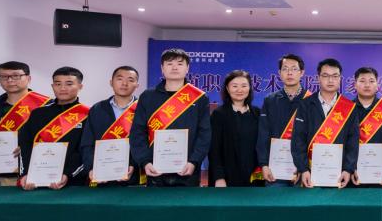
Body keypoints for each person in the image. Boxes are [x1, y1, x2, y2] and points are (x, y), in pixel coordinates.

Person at [130, 48, 211, 187]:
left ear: (187, 68)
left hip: (188, 170)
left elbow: (204, 133)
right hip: (155, 171)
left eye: (180, 64)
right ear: (162, 68)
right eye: (169, 63)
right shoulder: (148, 96)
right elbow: (138, 131)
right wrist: (145, 162)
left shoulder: (199, 98)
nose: (174, 67)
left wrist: (194, 161)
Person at [291, 58, 360, 188]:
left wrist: (348, 169)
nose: (330, 80)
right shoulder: (305, 104)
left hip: (340, 176)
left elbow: (353, 142)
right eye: (325, 75)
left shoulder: (350, 107)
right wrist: (303, 169)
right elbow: (298, 139)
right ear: (318, 78)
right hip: (310, 174)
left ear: (340, 79)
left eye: (335, 76)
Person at [19, 66, 90, 190]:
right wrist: (25, 174)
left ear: (80, 86)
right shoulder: (38, 113)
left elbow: (86, 151)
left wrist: (67, 174)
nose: (62, 88)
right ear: (52, 86)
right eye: (58, 84)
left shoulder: (88, 114)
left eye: (69, 84)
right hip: (35, 180)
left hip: (73, 183)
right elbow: (25, 145)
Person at [0, 61, 50, 186]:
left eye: (16, 76)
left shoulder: (46, 106)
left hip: (37, 171)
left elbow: (54, 138)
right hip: (4, 176)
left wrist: (28, 147)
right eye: (4, 77)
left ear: (28, 78)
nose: (10, 80)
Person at [80, 65, 140, 186]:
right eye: (120, 79)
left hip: (133, 178)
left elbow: (145, 142)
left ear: (137, 85)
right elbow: (87, 142)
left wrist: (133, 164)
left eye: (130, 80)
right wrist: (91, 168)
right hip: (101, 177)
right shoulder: (97, 109)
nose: (124, 83)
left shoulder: (143, 108)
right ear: (111, 82)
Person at [256, 53, 309, 187]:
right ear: (279, 73)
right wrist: (264, 164)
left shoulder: (311, 100)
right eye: (285, 69)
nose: (289, 73)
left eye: (294, 69)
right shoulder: (270, 100)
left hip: (304, 170)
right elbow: (263, 134)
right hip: (275, 170)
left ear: (302, 73)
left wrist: (304, 167)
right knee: (275, 200)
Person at [209, 69, 262, 187]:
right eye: (234, 86)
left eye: (244, 86)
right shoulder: (218, 114)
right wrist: (219, 177)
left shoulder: (258, 113)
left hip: (255, 177)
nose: (239, 90)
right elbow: (214, 149)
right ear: (227, 89)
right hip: (226, 179)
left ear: (249, 88)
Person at [351, 66, 382, 187]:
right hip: (352, 175)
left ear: (377, 85)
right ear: (355, 85)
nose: (367, 85)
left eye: (371, 81)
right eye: (362, 81)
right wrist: (349, 169)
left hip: (381, 175)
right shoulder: (346, 109)